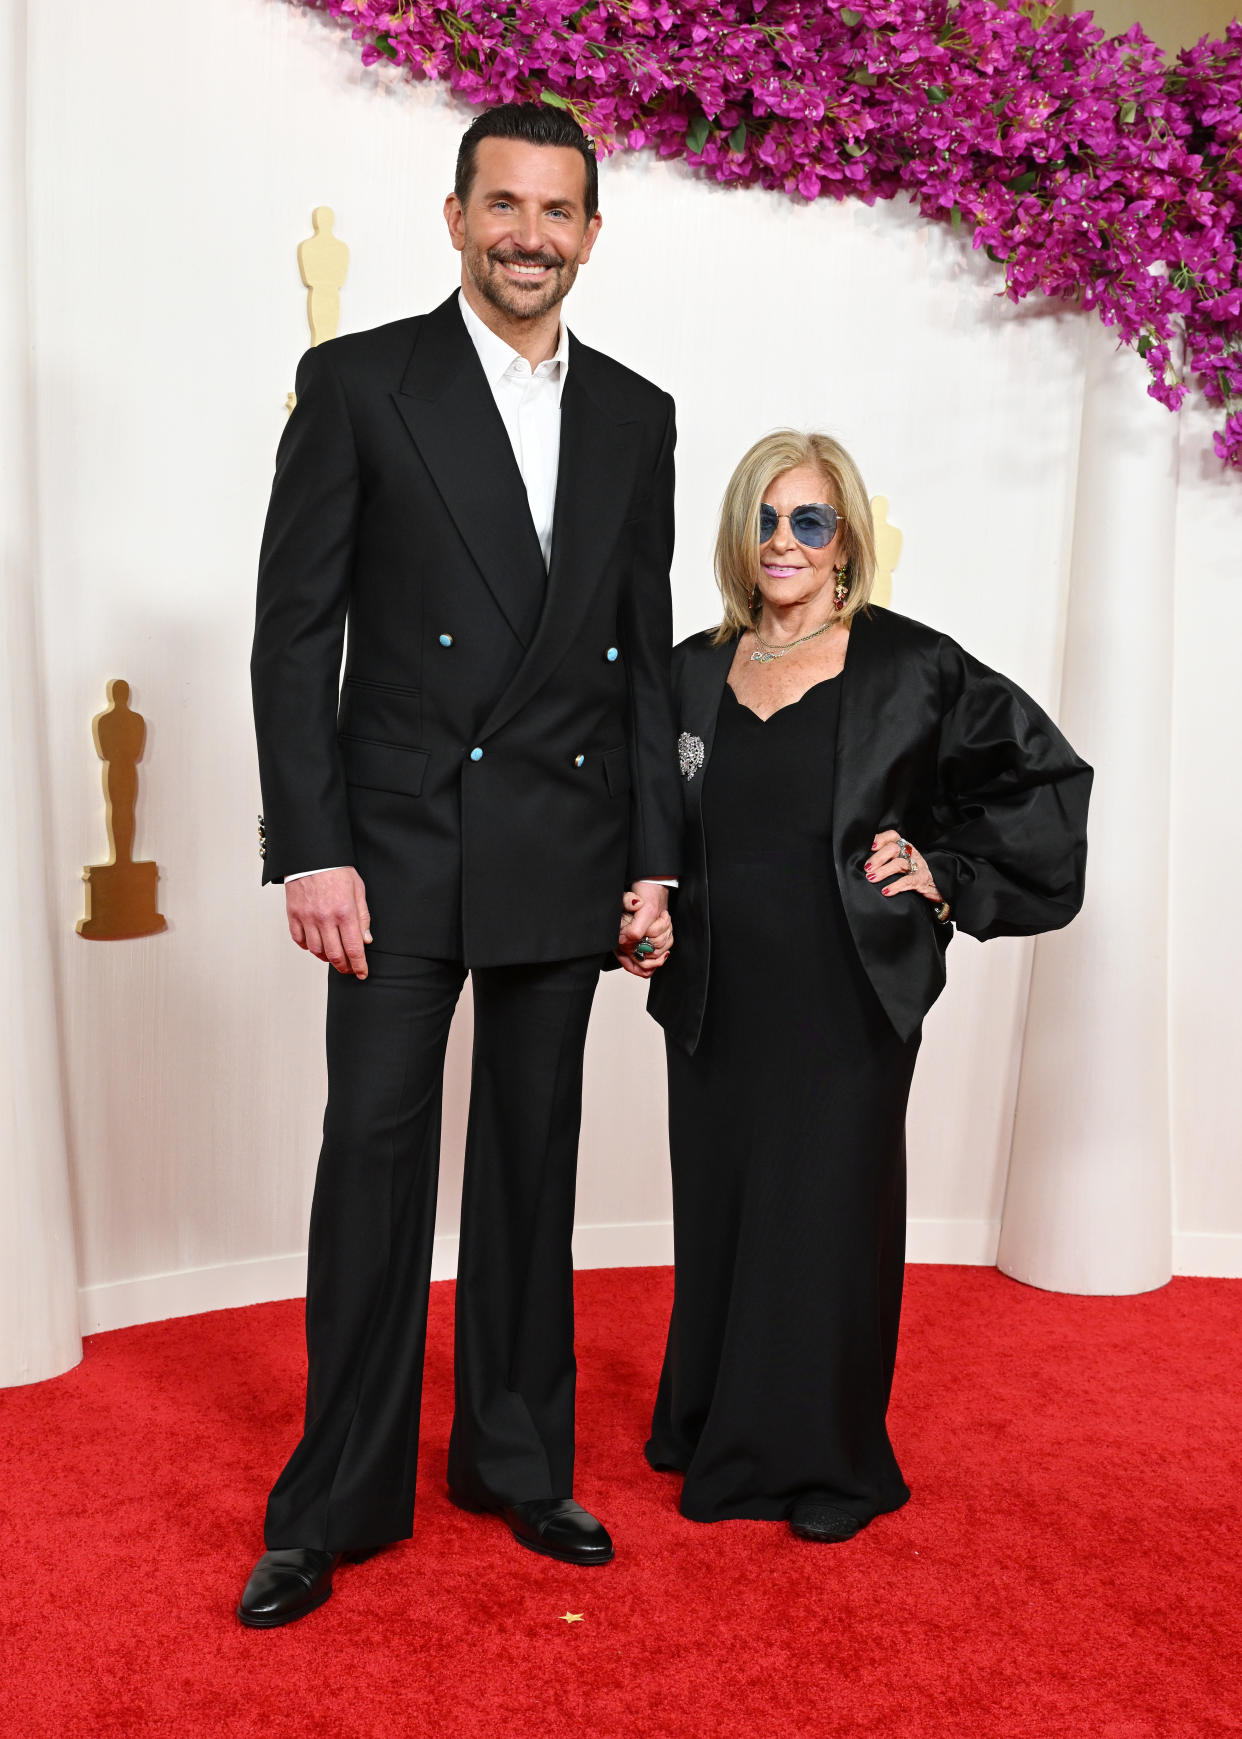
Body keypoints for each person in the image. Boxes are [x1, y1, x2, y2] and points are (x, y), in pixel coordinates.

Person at [241, 103, 679, 1628]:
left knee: (528, 1170)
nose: (528, 235)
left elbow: (637, 661)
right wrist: (312, 845)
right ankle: (333, 1499)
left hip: (564, 842)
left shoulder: (636, 411)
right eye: (503, 204)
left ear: (590, 235)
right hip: (399, 846)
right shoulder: (360, 382)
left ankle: (516, 1457)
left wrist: (654, 859)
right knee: (369, 1165)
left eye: (557, 211)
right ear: (454, 217)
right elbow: (296, 634)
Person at [645, 430, 1091, 1543]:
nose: (784, 541)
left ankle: (827, 1461)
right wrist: (638, 899)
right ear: (737, 537)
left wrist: (946, 873)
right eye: (764, 518)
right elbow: (637, 817)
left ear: (846, 540)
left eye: (809, 520)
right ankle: (710, 1420)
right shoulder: (693, 667)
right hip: (713, 997)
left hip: (845, 992)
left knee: (826, 1218)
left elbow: (1042, 774)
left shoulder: (909, 664)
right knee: (725, 1211)